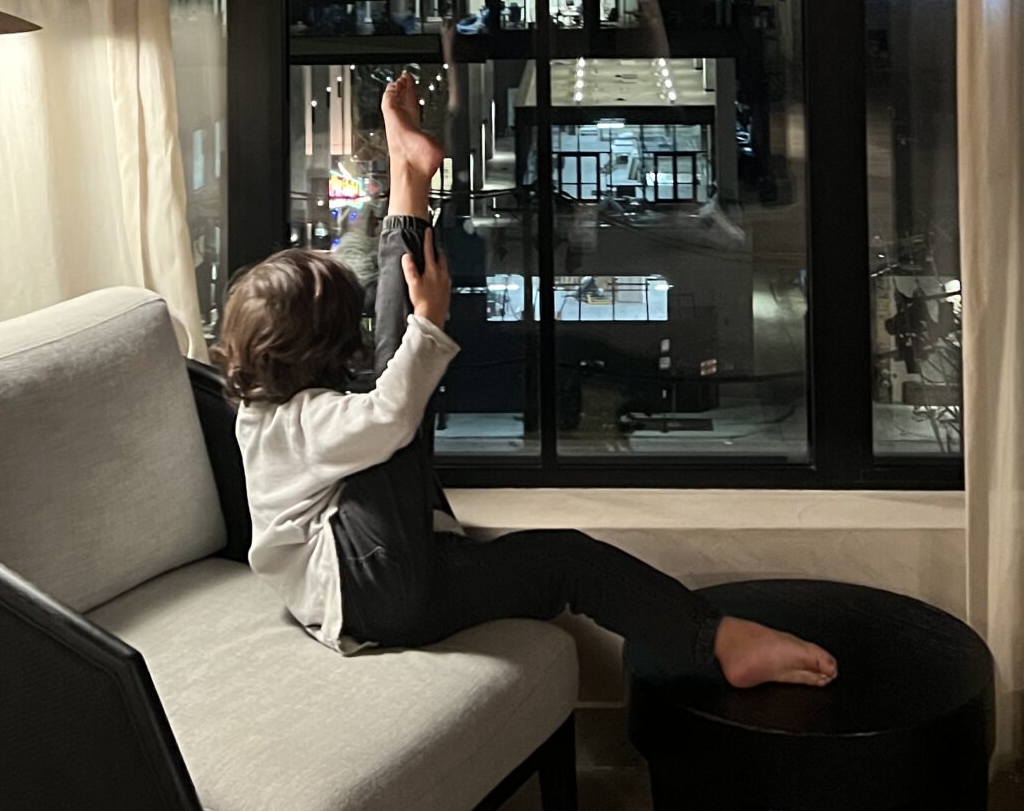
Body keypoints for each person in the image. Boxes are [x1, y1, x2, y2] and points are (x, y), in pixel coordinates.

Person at [219, 71, 838, 689]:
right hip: (366, 590)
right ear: (322, 344)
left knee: (566, 558)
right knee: (392, 391)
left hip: (411, 590)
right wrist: (429, 320)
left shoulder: (292, 408)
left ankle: (716, 640)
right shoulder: (293, 424)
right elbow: (390, 414)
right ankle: (408, 181)